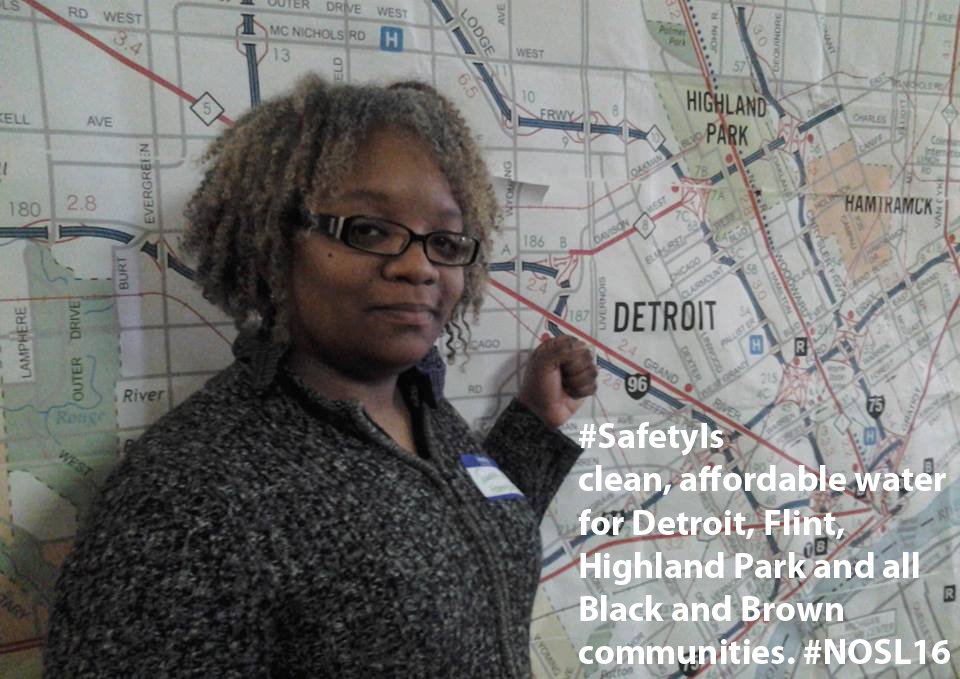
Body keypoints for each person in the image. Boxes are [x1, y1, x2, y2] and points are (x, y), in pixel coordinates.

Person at [43, 74, 597, 678]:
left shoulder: (420, 406)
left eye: (444, 240)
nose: (418, 266)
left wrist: (534, 424)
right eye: (369, 231)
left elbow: (455, 537)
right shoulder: (189, 496)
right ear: (274, 241)